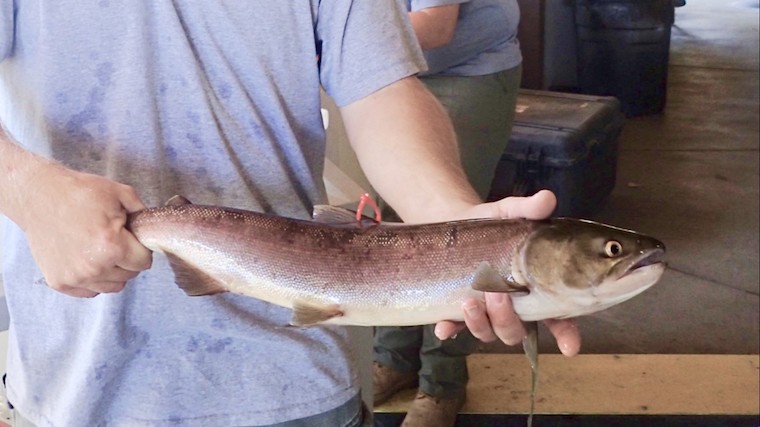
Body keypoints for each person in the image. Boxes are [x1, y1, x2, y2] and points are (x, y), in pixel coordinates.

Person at [0, 3, 580, 426]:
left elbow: (381, 91)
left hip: (292, 372)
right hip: (77, 371)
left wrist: (454, 219)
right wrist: (27, 189)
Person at [373, 1, 531, 425]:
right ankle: (393, 359)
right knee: (393, 231)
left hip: (464, 73)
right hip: (393, 73)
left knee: (455, 237)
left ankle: (441, 383)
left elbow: (435, 26)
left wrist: (330, 43)